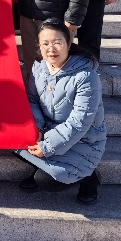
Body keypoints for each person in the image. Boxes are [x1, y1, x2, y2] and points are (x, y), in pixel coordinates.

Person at [15, 18, 105, 204]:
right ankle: (42, 164)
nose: (51, 49)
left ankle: (89, 179)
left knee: (46, 181)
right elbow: (32, 100)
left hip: (83, 141)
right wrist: (37, 130)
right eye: (45, 43)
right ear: (39, 46)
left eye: (57, 42)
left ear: (68, 44)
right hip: (48, 132)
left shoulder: (86, 77)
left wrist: (47, 146)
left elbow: (79, 122)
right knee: (10, 140)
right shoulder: (39, 68)